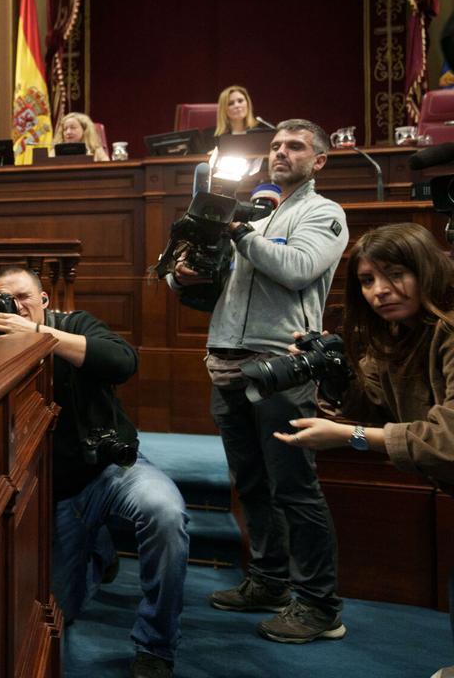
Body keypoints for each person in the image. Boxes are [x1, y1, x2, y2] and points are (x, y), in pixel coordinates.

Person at [170, 118, 349, 644]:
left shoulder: (324, 213)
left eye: (295, 146)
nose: (281, 153)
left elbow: (297, 269)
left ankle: (319, 606)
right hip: (226, 362)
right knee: (250, 484)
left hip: (283, 367)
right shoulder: (250, 216)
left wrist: (239, 233)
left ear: (319, 160)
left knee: (295, 488)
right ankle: (268, 581)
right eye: (275, 146)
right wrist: (187, 273)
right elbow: (221, 281)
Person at [0, 266, 187, 678]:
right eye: (5, 298)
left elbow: (123, 361)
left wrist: (41, 338)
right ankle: (99, 549)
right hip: (56, 492)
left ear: (45, 300)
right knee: (64, 610)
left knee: (166, 514)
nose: (17, 306)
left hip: (111, 470)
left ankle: (156, 644)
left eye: (25, 297)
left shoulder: (71, 325)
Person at [273, 222, 454, 656]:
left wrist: (350, 436)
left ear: (426, 269)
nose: (380, 291)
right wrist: (330, 371)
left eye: (395, 274)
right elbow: (370, 404)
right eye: (368, 281)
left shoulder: (448, 331)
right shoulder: (397, 334)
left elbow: (448, 440)